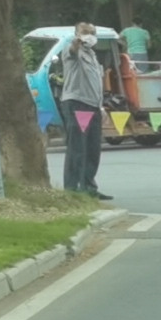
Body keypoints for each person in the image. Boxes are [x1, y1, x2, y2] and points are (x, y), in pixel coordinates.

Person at [52, 24, 112, 200]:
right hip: (77, 103)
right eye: (85, 32)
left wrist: (101, 107)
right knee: (77, 147)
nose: (90, 36)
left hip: (93, 104)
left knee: (93, 149)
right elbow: (72, 51)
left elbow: (95, 83)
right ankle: (73, 188)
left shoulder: (92, 54)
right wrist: (76, 43)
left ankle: (89, 187)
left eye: (92, 33)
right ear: (77, 34)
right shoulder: (72, 50)